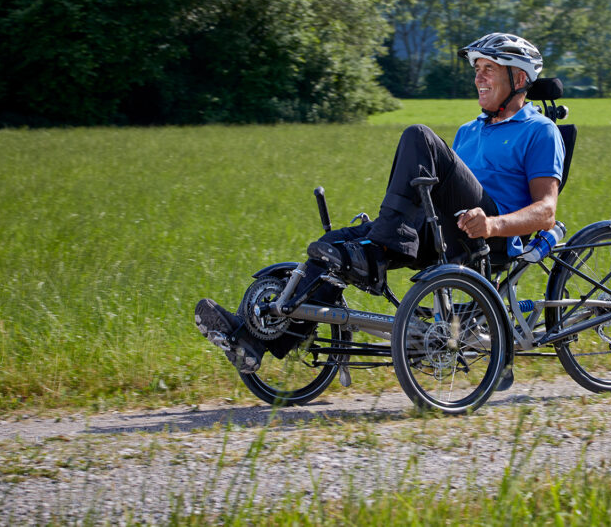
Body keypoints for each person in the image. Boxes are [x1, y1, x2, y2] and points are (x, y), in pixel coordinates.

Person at [195, 32, 565, 375]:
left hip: (488, 236)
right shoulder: (470, 130)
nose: (479, 78)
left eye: (489, 70)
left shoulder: (540, 131)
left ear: (519, 78)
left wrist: (492, 225)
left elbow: (546, 212)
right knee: (333, 250)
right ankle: (253, 340)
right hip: (439, 231)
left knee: (419, 136)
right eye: (477, 70)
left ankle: (385, 242)